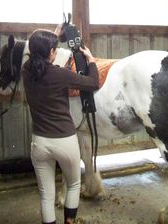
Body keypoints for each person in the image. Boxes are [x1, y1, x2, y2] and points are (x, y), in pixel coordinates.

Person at [21, 28, 99, 224]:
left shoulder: (25, 71)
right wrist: (90, 60)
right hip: (64, 141)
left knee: (46, 195)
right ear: (51, 53)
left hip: (39, 143)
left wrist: (53, 34)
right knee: (73, 184)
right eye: (54, 49)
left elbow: (39, 56)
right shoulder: (60, 74)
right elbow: (93, 83)